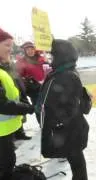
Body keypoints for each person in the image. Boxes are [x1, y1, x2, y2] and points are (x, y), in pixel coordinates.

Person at [37, 39, 89, 180]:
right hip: (72, 129)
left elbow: (60, 108)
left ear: (61, 57)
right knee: (77, 162)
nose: (50, 58)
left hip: (68, 131)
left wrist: (53, 122)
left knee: (77, 165)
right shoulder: (66, 72)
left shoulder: (63, 76)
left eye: (53, 55)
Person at [0, 28, 34, 180]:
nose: (11, 49)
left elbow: (17, 85)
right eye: (7, 45)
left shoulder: (6, 65)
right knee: (5, 164)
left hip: (6, 129)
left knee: (8, 160)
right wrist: (29, 108)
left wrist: (26, 95)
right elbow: (2, 104)